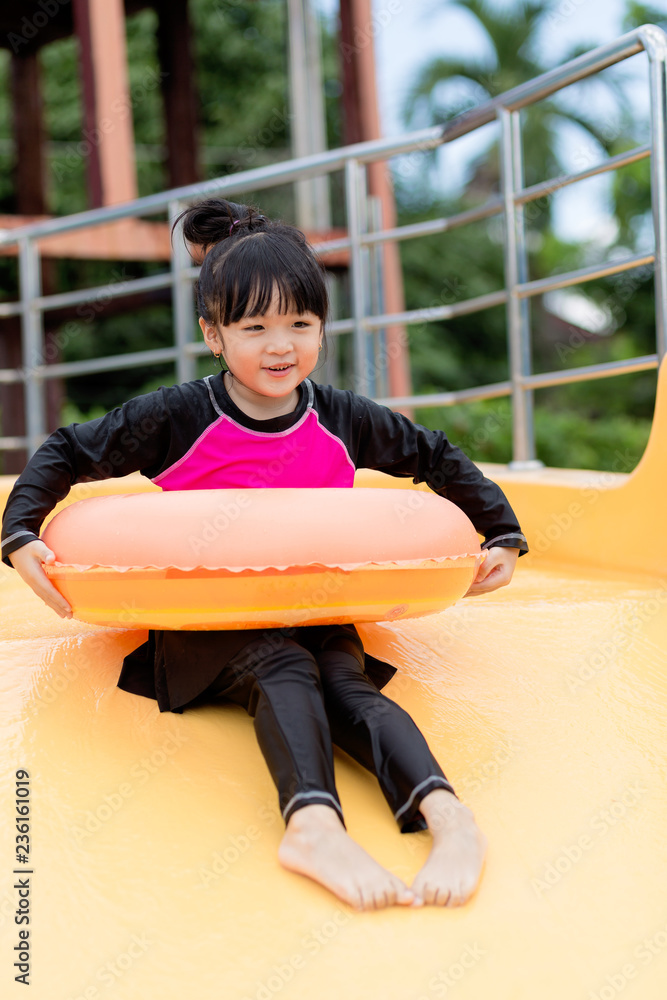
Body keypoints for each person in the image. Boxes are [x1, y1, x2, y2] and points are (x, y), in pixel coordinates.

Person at [2, 199, 528, 912]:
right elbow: (70, 449)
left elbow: (430, 454)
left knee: (347, 683)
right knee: (280, 664)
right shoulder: (180, 417)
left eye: (299, 325)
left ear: (320, 327)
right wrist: (20, 531)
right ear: (213, 336)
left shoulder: (338, 418)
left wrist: (499, 530)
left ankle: (447, 816)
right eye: (254, 328)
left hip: (314, 608)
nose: (280, 345)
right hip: (205, 625)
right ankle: (312, 825)